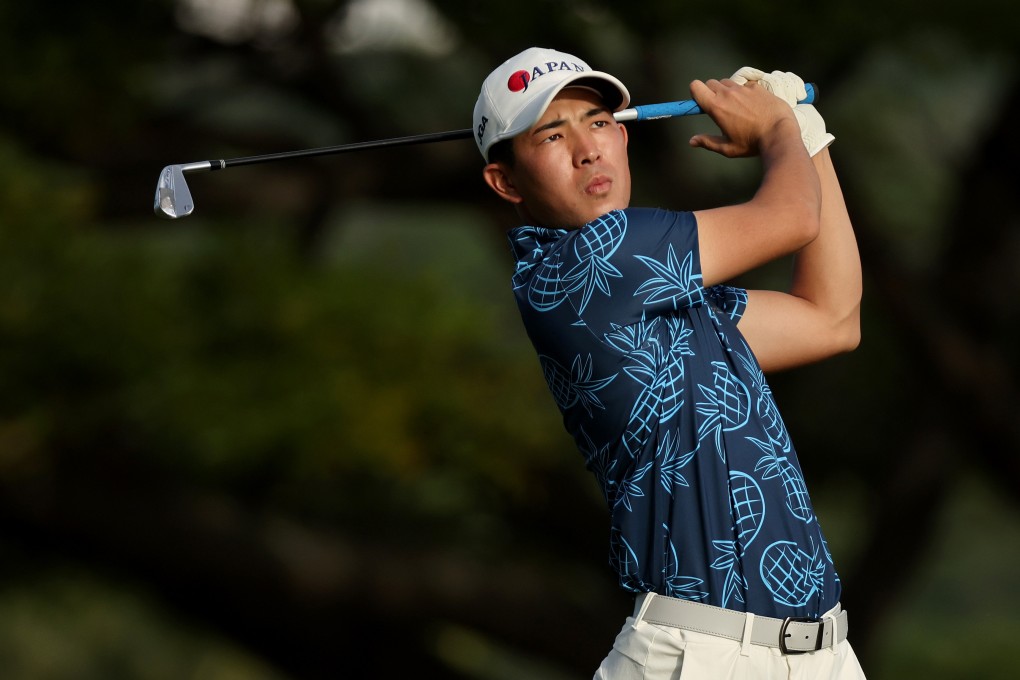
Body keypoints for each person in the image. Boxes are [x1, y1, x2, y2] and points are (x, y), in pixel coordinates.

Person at [473, 47, 866, 679]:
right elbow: (793, 216)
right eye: (552, 135)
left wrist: (809, 141)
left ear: (623, 137)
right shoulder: (588, 265)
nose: (587, 149)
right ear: (506, 182)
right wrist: (776, 128)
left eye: (599, 122)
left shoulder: (671, 297)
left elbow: (832, 318)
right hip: (699, 655)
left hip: (821, 654)